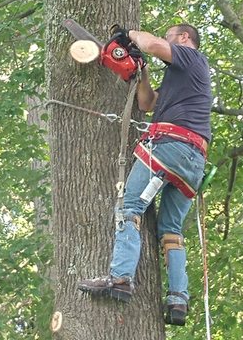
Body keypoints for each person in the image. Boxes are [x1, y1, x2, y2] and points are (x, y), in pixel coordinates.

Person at [78, 23, 212, 326]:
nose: (166, 42)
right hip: (193, 162)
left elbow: (152, 44)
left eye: (169, 37)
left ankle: (120, 278)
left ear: (183, 38)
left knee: (130, 208)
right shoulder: (182, 80)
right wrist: (142, 71)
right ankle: (178, 299)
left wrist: (130, 36)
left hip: (171, 147)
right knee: (171, 232)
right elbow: (147, 103)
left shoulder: (192, 58)